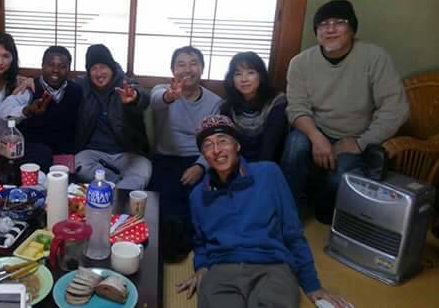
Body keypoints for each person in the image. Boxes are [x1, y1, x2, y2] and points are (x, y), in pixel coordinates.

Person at [176, 115, 350, 308]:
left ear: (237, 146)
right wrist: (201, 266)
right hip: (222, 269)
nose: (216, 150)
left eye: (223, 141)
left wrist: (312, 285)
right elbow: (200, 242)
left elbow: (292, 232)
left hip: (272, 266)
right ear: (203, 155)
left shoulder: (268, 174)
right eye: (208, 145)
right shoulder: (198, 195)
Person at [281, 0, 410, 223]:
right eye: (323, 24)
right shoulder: (300, 63)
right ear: (316, 31)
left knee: (336, 182)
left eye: (339, 22)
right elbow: (296, 107)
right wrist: (316, 137)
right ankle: (288, 213)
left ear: (352, 28)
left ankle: (322, 205)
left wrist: (360, 143)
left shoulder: (375, 57)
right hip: (315, 129)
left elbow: (396, 109)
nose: (330, 29)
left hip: (355, 136)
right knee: (295, 146)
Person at [148, 46, 221, 261]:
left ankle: (189, 242)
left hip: (199, 159)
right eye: (181, 64)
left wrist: (200, 166)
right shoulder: (162, 91)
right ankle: (170, 243)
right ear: (173, 70)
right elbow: (157, 101)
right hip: (166, 158)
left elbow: (214, 140)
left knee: (199, 200)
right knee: (164, 202)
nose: (187, 69)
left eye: (193, 64)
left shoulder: (215, 102)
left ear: (202, 68)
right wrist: (170, 96)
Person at [74, 44, 151, 190]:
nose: (99, 73)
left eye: (103, 67)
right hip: (93, 152)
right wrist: (30, 81)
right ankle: (119, 189)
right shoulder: (82, 85)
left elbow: (144, 98)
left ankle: (111, 190)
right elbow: (61, 86)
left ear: (112, 68)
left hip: (127, 152)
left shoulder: (125, 84)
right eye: (94, 68)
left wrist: (134, 98)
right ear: (88, 72)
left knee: (143, 170)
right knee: (80, 164)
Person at [0, 46, 82, 171]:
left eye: (62, 66)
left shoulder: (76, 90)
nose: (56, 70)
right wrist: (27, 110)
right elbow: (0, 114)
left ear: (69, 69)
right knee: (41, 155)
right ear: (42, 66)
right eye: (50, 65)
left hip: (64, 155)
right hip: (33, 154)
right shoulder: (29, 88)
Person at [220, 51, 287, 162]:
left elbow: (271, 144)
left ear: (260, 75)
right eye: (238, 74)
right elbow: (228, 146)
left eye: (250, 73)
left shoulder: (277, 101)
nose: (244, 79)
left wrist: (260, 169)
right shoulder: (226, 106)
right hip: (237, 164)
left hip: (268, 162)